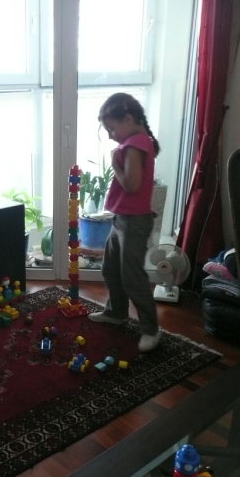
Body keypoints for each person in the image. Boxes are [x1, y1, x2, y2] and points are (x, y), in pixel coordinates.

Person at [88, 92, 161, 352]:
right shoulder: (136, 141)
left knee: (133, 278)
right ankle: (117, 313)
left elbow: (131, 184)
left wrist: (114, 164)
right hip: (122, 219)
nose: (110, 135)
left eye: (112, 128)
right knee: (111, 269)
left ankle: (151, 330)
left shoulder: (136, 143)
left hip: (134, 222)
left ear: (128, 119)